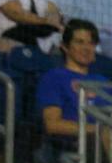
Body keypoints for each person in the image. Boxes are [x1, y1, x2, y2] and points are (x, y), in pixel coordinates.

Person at [37, 19, 106, 148]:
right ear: (65, 46)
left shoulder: (102, 80)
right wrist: (99, 130)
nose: (86, 48)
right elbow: (53, 125)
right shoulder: (54, 77)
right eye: (79, 42)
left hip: (104, 144)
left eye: (91, 43)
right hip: (71, 146)